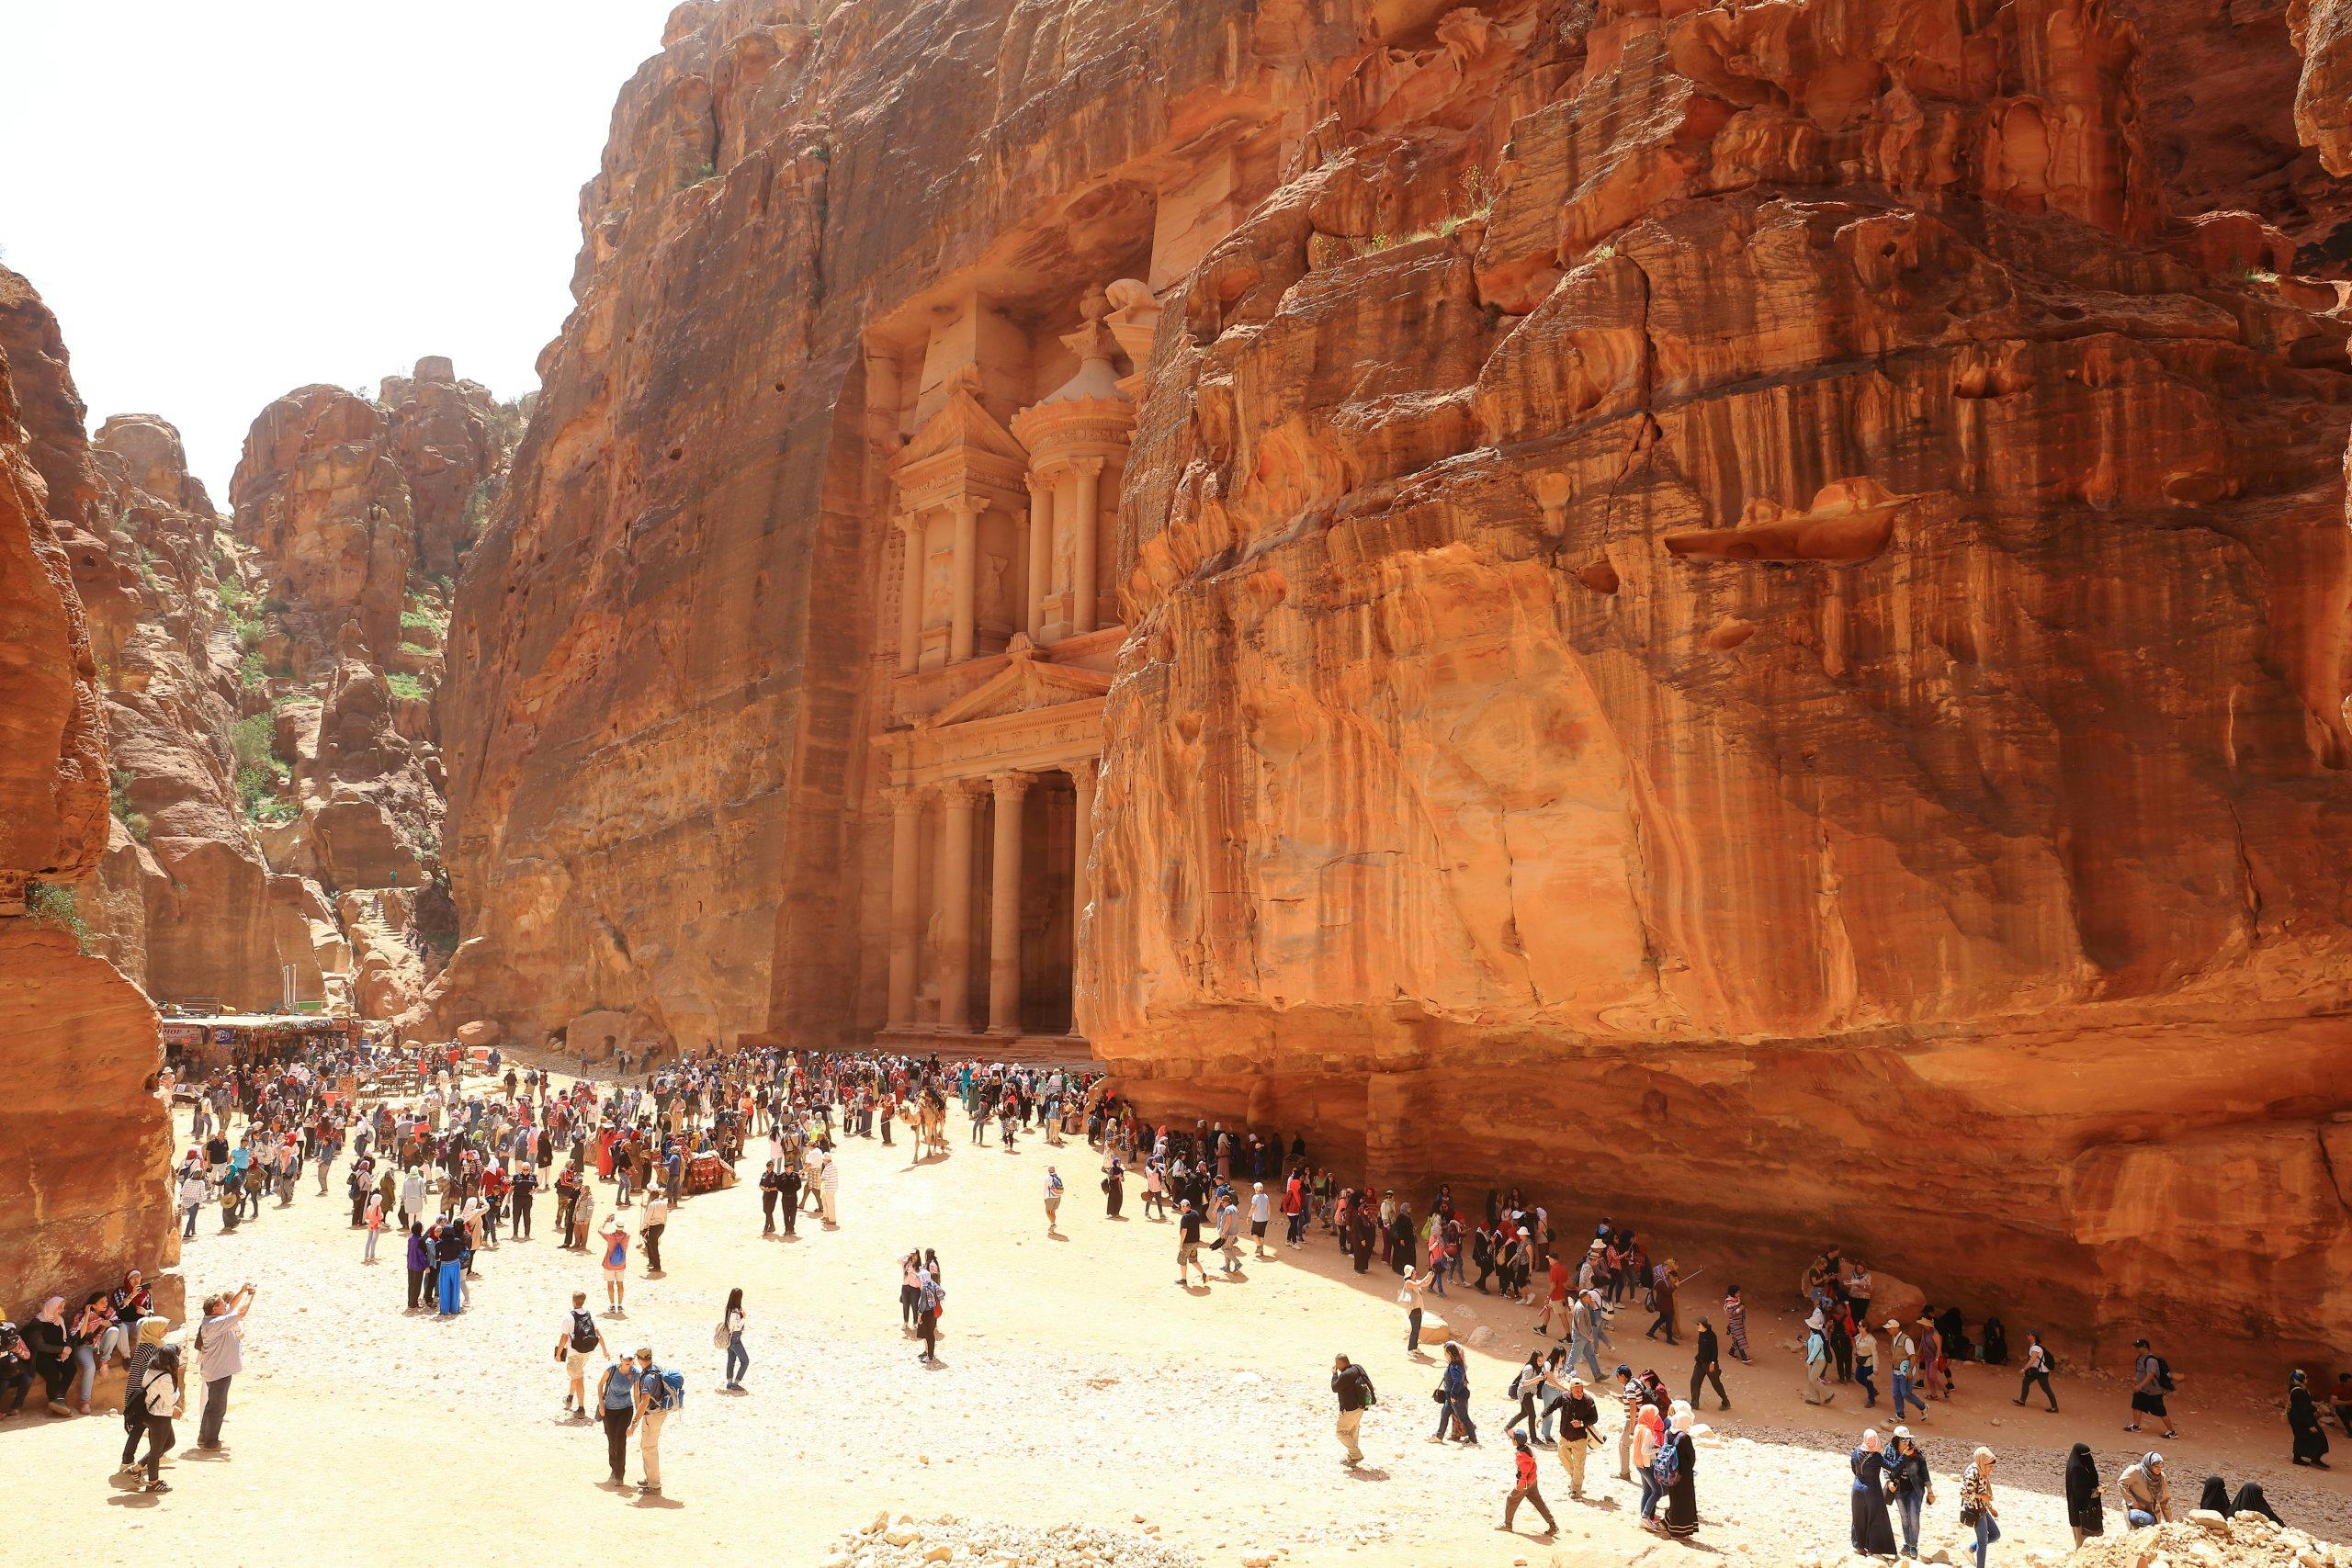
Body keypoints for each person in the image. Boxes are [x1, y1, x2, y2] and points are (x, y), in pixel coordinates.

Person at [193, 1280, 255, 1451]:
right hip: (218, 1371)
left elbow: (231, 1306)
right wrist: (250, 1295)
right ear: (215, 1309)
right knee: (218, 1408)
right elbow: (241, 1312)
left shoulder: (215, 1318)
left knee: (211, 1405)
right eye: (221, 1304)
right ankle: (211, 1442)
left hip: (216, 1370)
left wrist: (242, 1291)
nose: (225, 1305)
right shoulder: (215, 1324)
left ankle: (204, 1438)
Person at [130, 1340, 185, 1494]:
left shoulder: (151, 1370)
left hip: (149, 1413)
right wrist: (178, 1390)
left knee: (169, 1443)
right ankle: (153, 1483)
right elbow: (171, 1400)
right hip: (159, 1417)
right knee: (156, 1451)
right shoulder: (166, 1377)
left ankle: (137, 1467)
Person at [1549, 1371, 1600, 1499]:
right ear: (1571, 1390)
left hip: (1580, 1438)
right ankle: (1576, 1477)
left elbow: (1594, 1418)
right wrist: (1541, 1416)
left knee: (1579, 1465)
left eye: (1581, 1390)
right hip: (1565, 1437)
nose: (1580, 1393)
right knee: (1563, 1458)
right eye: (1577, 1391)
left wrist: (1582, 1423)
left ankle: (1575, 1490)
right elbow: (1552, 1406)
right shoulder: (1564, 1397)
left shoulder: (1589, 1400)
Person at [630, 1345, 673, 1493]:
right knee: (648, 1447)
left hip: (653, 1415)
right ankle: (649, 1479)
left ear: (640, 1359)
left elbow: (644, 1401)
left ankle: (654, 1485)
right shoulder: (657, 1368)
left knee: (649, 1448)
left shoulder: (648, 1377)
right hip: (660, 1411)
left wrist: (634, 1423)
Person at [1500, 1431, 1558, 1537]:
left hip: (1526, 1483)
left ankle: (1507, 1524)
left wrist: (1521, 1485)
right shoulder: (1528, 1448)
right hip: (1533, 1481)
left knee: (1511, 1499)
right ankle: (1553, 1525)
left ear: (1516, 1441)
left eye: (1513, 1439)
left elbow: (1524, 1472)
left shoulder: (1521, 1456)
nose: (1511, 1440)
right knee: (1538, 1502)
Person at [1850, 1427, 1898, 1555]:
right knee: (1875, 1518)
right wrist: (1904, 1456)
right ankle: (1873, 1548)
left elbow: (1854, 1469)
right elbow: (1893, 1467)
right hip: (1872, 1491)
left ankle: (1859, 1547)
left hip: (1857, 1489)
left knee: (1858, 1517)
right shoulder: (1876, 1457)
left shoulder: (1855, 1452)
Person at [1887, 1427, 1934, 1557]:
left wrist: (1930, 1491)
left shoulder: (1916, 1453)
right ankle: (1907, 1544)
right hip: (1899, 1489)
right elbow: (1886, 1468)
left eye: (1908, 1439)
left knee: (1914, 1517)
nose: (1906, 1441)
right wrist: (1888, 1481)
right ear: (1896, 1440)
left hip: (1916, 1489)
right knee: (1904, 1517)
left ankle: (1913, 1545)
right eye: (1903, 1439)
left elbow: (1924, 1472)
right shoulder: (1890, 1452)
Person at [560, 1291, 606, 1416]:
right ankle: (569, 1398)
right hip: (587, 1351)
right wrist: (604, 1350)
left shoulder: (568, 1317)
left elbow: (564, 1338)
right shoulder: (590, 1315)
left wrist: (558, 1354)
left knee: (579, 1378)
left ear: (573, 1301)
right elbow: (598, 1333)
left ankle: (581, 1409)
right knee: (576, 1375)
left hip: (574, 1353)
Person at [595, 1351, 637, 1485]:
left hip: (626, 1409)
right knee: (612, 1441)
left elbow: (636, 1393)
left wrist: (638, 1413)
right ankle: (613, 1468)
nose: (628, 1361)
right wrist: (601, 1405)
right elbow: (600, 1385)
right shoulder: (612, 1369)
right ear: (621, 1359)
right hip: (609, 1411)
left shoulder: (635, 1373)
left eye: (631, 1359)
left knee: (621, 1440)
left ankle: (620, 1475)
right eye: (626, 1359)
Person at [2125, 1337, 2178, 1439]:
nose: (2137, 1348)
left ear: (2145, 1347)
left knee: (2161, 1411)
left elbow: (2151, 1375)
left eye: (2138, 1346)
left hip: (2153, 1391)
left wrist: (2140, 1385)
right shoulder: (2141, 1357)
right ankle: (2136, 1426)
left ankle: (2172, 1432)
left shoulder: (2151, 1360)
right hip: (2143, 1390)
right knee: (2136, 1405)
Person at [1659, 1405, 1699, 1539]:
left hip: (1671, 1472)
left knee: (1674, 1499)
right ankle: (1678, 1531)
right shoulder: (1684, 1437)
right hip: (1683, 1474)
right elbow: (1691, 1457)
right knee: (1683, 1501)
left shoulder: (1669, 1432)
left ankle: (1668, 1523)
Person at [1331, 1352, 1374, 1468]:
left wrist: (1335, 1374)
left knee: (1340, 1433)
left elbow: (1335, 1387)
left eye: (1337, 1364)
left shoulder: (1345, 1375)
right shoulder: (1357, 1367)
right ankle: (1353, 1457)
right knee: (1352, 1432)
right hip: (1360, 1407)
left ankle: (1356, 1454)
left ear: (1340, 1363)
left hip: (1349, 1410)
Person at [1961, 1446, 2000, 1568]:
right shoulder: (1972, 1473)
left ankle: (1970, 1549)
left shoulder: (1982, 1471)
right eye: (1990, 1466)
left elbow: (1984, 1493)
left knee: (1995, 1534)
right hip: (1975, 1511)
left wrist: (1990, 1507)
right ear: (1983, 1462)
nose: (1991, 1469)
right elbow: (1964, 1493)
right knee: (1982, 1542)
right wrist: (1982, 1497)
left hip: (1982, 1509)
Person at [1430, 1341, 1476, 1445]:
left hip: (1456, 1397)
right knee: (1444, 1415)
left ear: (1449, 1353)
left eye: (1445, 1353)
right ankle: (1439, 1436)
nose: (1444, 1355)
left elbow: (1457, 1382)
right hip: (1450, 1397)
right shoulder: (1454, 1364)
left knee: (1464, 1418)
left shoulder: (1455, 1366)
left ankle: (1473, 1439)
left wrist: (1453, 1395)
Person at [2064, 1442, 2104, 1547]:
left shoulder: (2083, 1464)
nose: (2088, 1457)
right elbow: (2079, 1492)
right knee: (2081, 1542)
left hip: (2090, 1507)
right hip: (2080, 1510)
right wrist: (2096, 1491)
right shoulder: (2076, 1469)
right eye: (2085, 1455)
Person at [2290, 1369, 2332, 1467]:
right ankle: (2313, 1459)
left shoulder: (2298, 1389)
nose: (2307, 1379)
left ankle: (2301, 1458)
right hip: (2301, 1419)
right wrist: (2310, 1425)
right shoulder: (2299, 1391)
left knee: (2301, 1437)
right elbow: (2303, 1409)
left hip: (2298, 1418)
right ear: (2300, 1379)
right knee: (2317, 1437)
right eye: (2305, 1377)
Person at [2118, 1450, 2171, 1527]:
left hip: (2152, 1512)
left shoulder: (2161, 1478)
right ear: (2149, 1465)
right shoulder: (2135, 1471)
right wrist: (2133, 1503)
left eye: (2161, 1467)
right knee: (2135, 1535)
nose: (2159, 1470)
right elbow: (2121, 1483)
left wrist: (2170, 1523)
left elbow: (2165, 1501)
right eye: (2156, 1467)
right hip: (2134, 1510)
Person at [1887, 1319, 1926, 1420]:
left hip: (1904, 1372)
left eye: (1889, 1328)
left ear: (1895, 1328)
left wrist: (1909, 1370)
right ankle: (1900, 1415)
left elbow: (1913, 1357)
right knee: (1896, 1393)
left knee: (1905, 1393)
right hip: (1896, 1370)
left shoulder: (1906, 1340)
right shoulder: (1893, 1338)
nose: (1888, 1330)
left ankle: (1923, 1407)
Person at [1690, 1315, 1728, 1410]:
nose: (1697, 1326)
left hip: (1710, 1365)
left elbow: (1715, 1351)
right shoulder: (1701, 1333)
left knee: (1716, 1384)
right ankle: (1694, 1403)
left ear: (1703, 1325)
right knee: (1695, 1382)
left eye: (1698, 1324)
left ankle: (1726, 1402)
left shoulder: (1711, 1335)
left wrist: (1712, 1363)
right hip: (1700, 1363)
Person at [2015, 1330, 2057, 1412]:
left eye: (2028, 1334)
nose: (2027, 1336)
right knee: (2026, 1381)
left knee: (2046, 1389)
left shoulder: (2036, 1347)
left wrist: (2024, 1369)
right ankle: (2022, 1401)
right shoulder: (2034, 1346)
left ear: (2033, 1336)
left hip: (2041, 1372)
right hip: (2036, 1370)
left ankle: (2055, 1407)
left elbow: (2032, 1360)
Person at [1175, 1199, 1210, 1288]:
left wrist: (1181, 1244)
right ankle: (1203, 1274)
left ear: (1184, 1206)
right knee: (1194, 1260)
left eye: (1181, 1207)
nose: (1181, 1209)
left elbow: (1184, 1231)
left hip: (1187, 1243)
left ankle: (1184, 1279)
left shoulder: (1185, 1217)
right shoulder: (1196, 1213)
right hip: (1195, 1242)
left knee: (1183, 1261)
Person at [600, 1216, 630, 1313]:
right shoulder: (627, 1236)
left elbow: (600, 1230)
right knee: (620, 1284)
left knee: (610, 1284)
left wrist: (606, 1221)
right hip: (621, 1264)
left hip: (609, 1264)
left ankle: (612, 1305)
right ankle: (620, 1305)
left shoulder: (609, 1236)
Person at [1804, 1311, 1835, 1405]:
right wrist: (1804, 1343)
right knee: (1812, 1379)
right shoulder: (1814, 1335)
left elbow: (1815, 1351)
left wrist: (1809, 1361)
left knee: (1812, 1379)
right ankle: (1815, 1398)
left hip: (1818, 1361)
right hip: (1815, 1360)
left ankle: (1828, 1394)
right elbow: (1813, 1347)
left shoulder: (1817, 1337)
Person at [721, 1287, 748, 1390]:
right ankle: (735, 1384)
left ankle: (729, 1383)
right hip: (735, 1339)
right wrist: (744, 1318)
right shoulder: (734, 1312)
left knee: (731, 1360)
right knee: (745, 1361)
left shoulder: (729, 1309)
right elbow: (736, 1326)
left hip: (731, 1338)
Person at [641, 1190, 669, 1275]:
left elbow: (647, 1216)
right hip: (661, 1226)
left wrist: (644, 1226)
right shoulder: (664, 1203)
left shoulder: (652, 1204)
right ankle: (652, 1262)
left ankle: (657, 1266)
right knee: (650, 1243)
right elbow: (665, 1215)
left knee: (653, 1246)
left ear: (652, 1196)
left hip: (654, 1226)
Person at [1043, 1166, 1063, 1235]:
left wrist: (1044, 1198)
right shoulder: (1058, 1177)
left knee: (1048, 1211)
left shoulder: (1048, 1178)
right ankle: (1052, 1227)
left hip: (1051, 1197)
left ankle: (1053, 1224)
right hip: (1058, 1197)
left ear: (1048, 1171)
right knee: (1053, 1212)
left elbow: (1045, 1189)